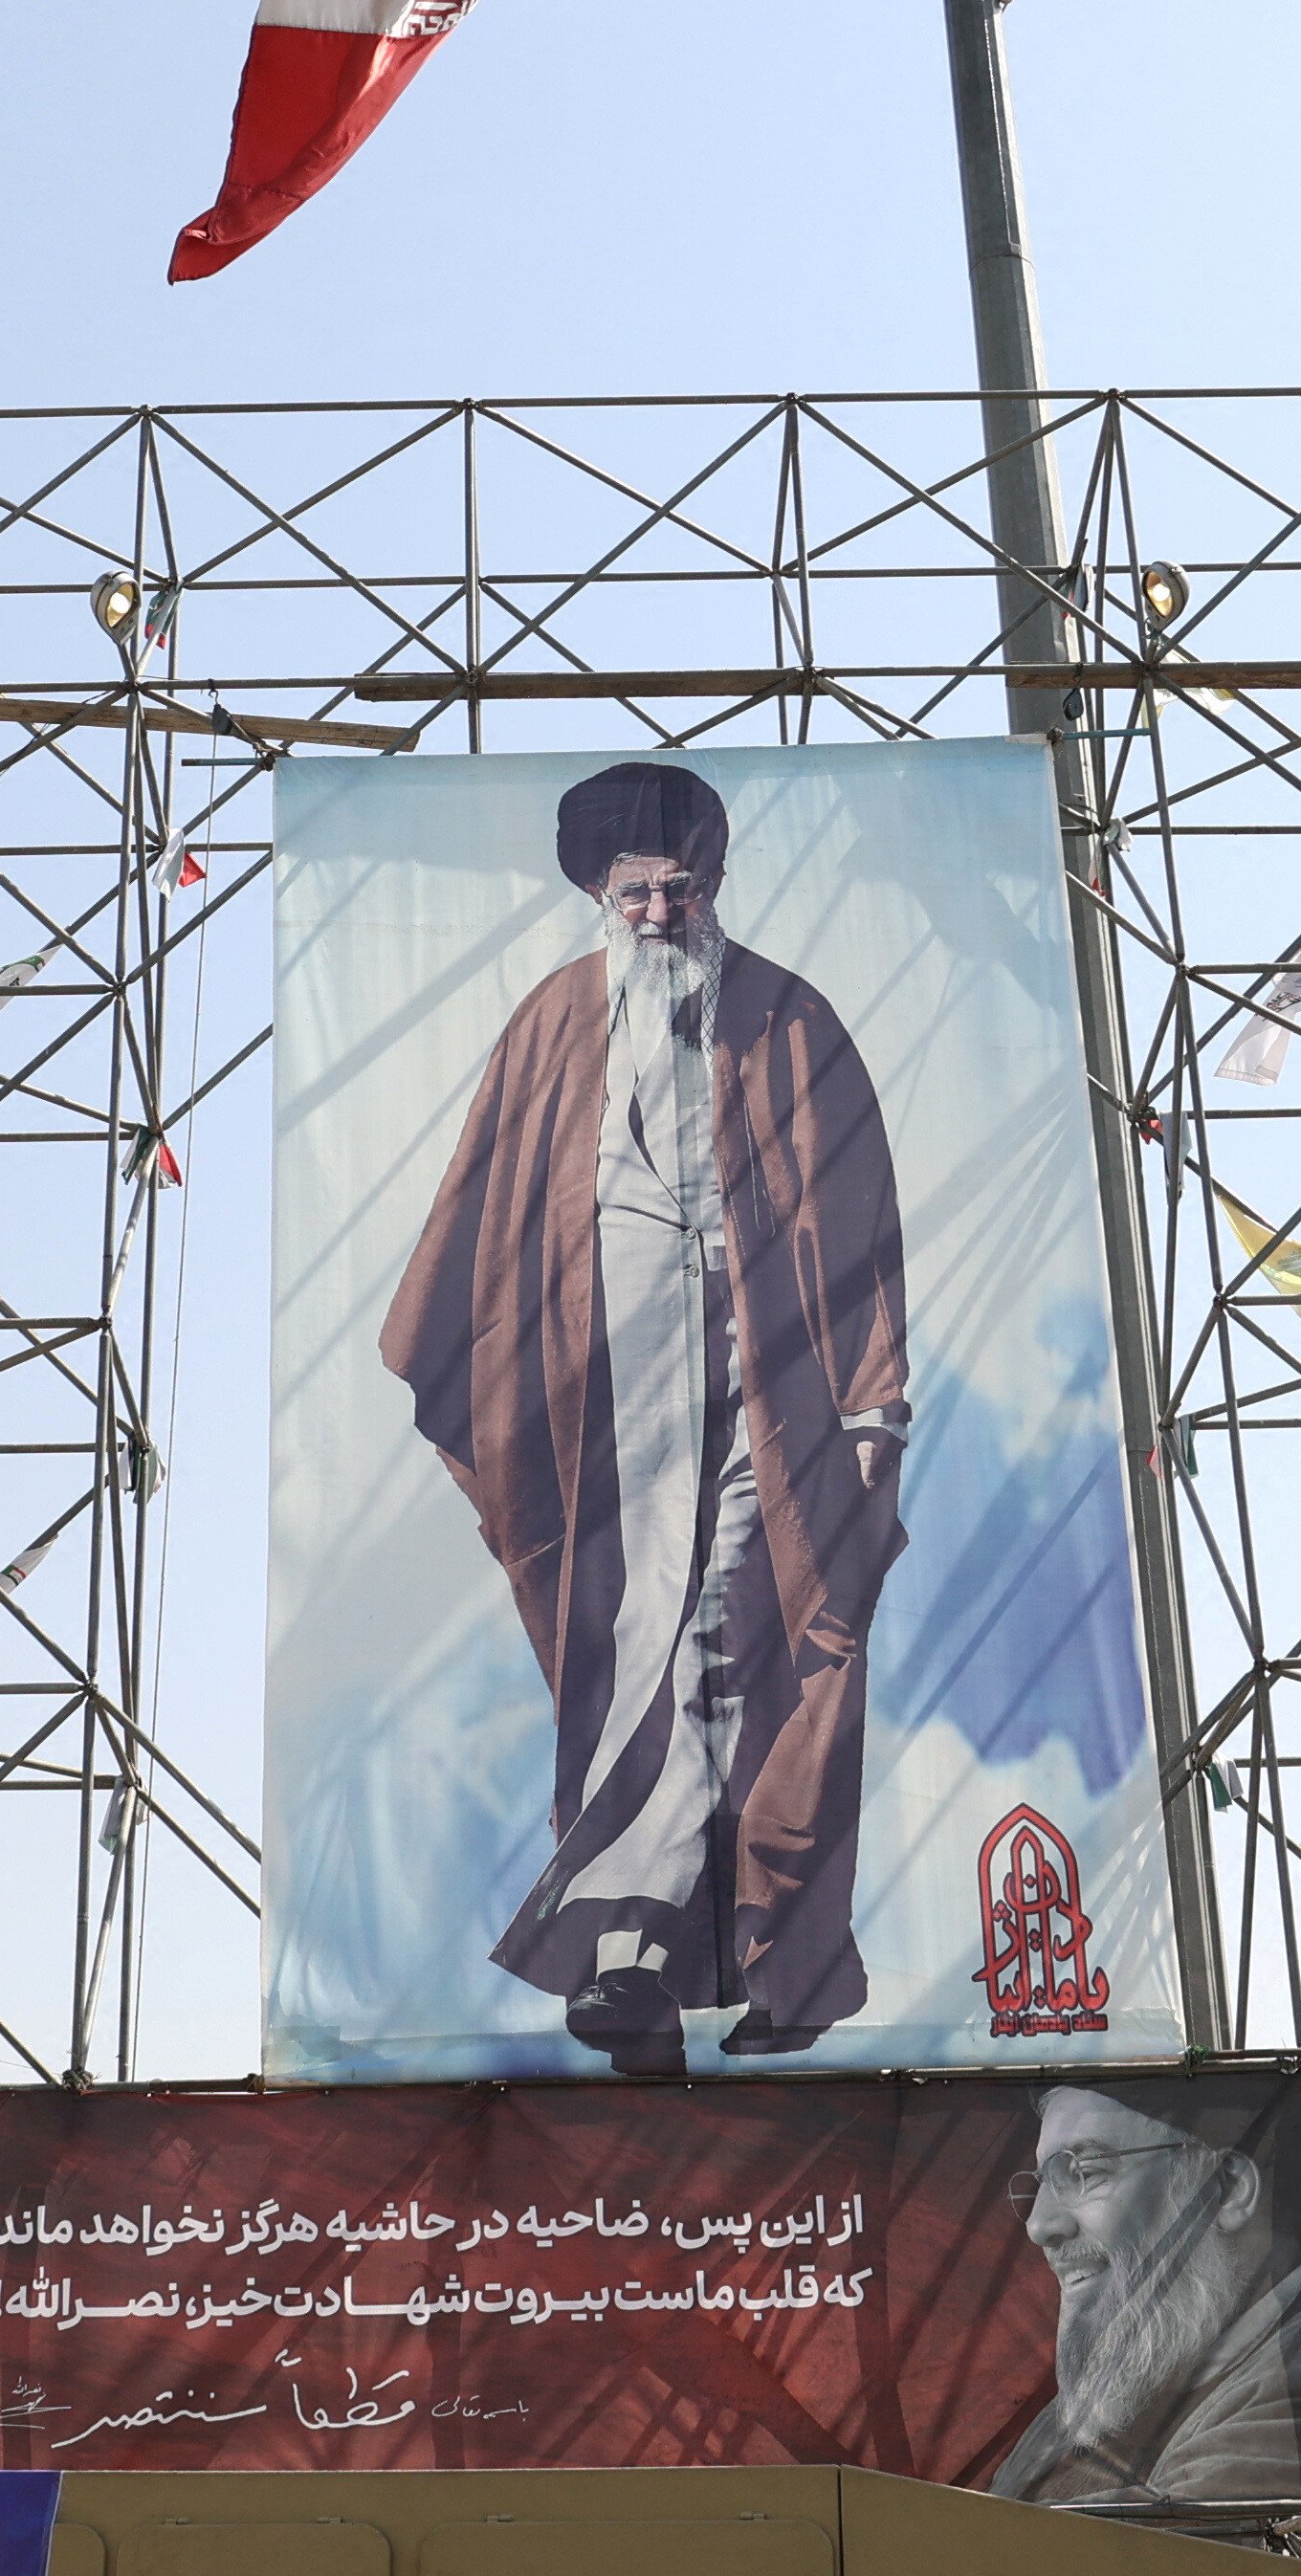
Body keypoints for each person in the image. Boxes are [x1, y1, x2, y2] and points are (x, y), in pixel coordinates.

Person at [381, 760, 911, 2072]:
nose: (659, 911)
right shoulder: (555, 1022)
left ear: (711, 887)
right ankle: (659, 1976)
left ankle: (629, 1947)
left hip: (762, 1400)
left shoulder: (791, 1021)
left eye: (679, 888)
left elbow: (862, 1234)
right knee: (632, 1654)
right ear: (599, 899)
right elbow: (482, 1228)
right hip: (599, 1404)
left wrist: (874, 1405)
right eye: (634, 893)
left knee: (728, 1639)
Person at [989, 2081, 1301, 2509]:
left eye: (1084, 2172)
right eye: (1045, 2180)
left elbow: (1170, 2551)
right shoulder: (1124, 2378)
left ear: (1226, 2190)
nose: (1038, 2225)